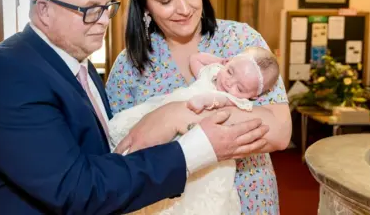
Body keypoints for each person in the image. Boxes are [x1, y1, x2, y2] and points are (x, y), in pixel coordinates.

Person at [0, 0, 271, 214]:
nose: (105, 20)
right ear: (44, 11)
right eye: (90, 10)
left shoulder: (80, 65)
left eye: (108, 6)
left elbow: (108, 157)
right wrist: (194, 148)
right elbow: (76, 190)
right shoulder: (4, 73)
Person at [105, 0, 292, 214]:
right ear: (144, 5)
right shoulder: (129, 66)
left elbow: (278, 131)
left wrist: (174, 115)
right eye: (165, 0)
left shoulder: (240, 41)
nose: (184, 8)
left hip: (247, 196)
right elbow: (122, 153)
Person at [107, 47, 280, 214]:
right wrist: (220, 62)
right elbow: (195, 59)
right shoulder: (214, 73)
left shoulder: (232, 99)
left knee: (192, 191)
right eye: (230, 71)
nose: (229, 83)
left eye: (240, 88)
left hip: (199, 140)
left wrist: (204, 101)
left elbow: (215, 102)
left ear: (253, 96)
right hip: (168, 112)